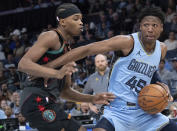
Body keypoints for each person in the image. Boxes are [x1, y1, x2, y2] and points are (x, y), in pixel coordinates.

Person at [45, 7, 177, 131]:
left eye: (155, 25)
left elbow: (151, 72)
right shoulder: (127, 42)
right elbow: (88, 49)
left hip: (144, 112)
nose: (150, 29)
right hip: (117, 111)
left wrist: (161, 85)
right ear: (140, 26)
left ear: (161, 28)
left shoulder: (162, 49)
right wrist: (53, 64)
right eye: (146, 25)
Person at [18, 3, 115, 131]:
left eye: (81, 19)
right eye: (76, 18)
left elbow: (65, 91)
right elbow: (23, 64)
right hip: (35, 100)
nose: (80, 22)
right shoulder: (51, 36)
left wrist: (92, 98)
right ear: (63, 22)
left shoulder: (67, 50)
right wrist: (56, 73)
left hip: (48, 102)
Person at [81, 54, 110, 120]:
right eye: (98, 61)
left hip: (114, 111)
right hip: (98, 112)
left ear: (106, 62)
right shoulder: (92, 78)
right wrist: (90, 106)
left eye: (102, 61)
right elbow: (85, 95)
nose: (100, 63)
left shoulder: (114, 73)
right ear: (95, 63)